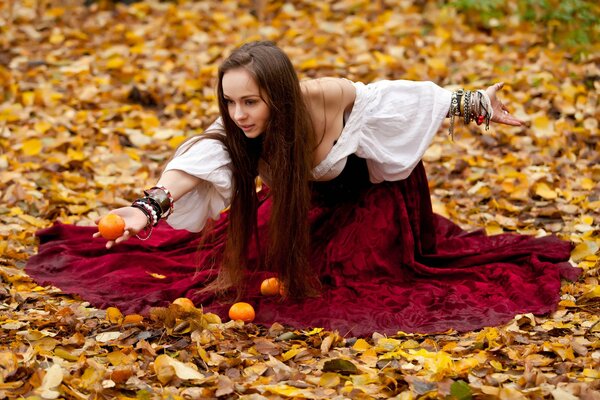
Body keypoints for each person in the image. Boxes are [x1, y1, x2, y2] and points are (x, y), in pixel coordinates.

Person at [26, 41, 580, 336]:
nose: (239, 113)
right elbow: (202, 157)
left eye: (251, 101)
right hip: (310, 203)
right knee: (237, 260)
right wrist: (150, 208)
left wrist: (475, 103)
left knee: (363, 281)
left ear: (281, 94)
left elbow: (404, 98)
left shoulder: (326, 96)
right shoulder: (239, 130)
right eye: (231, 101)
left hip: (376, 200)